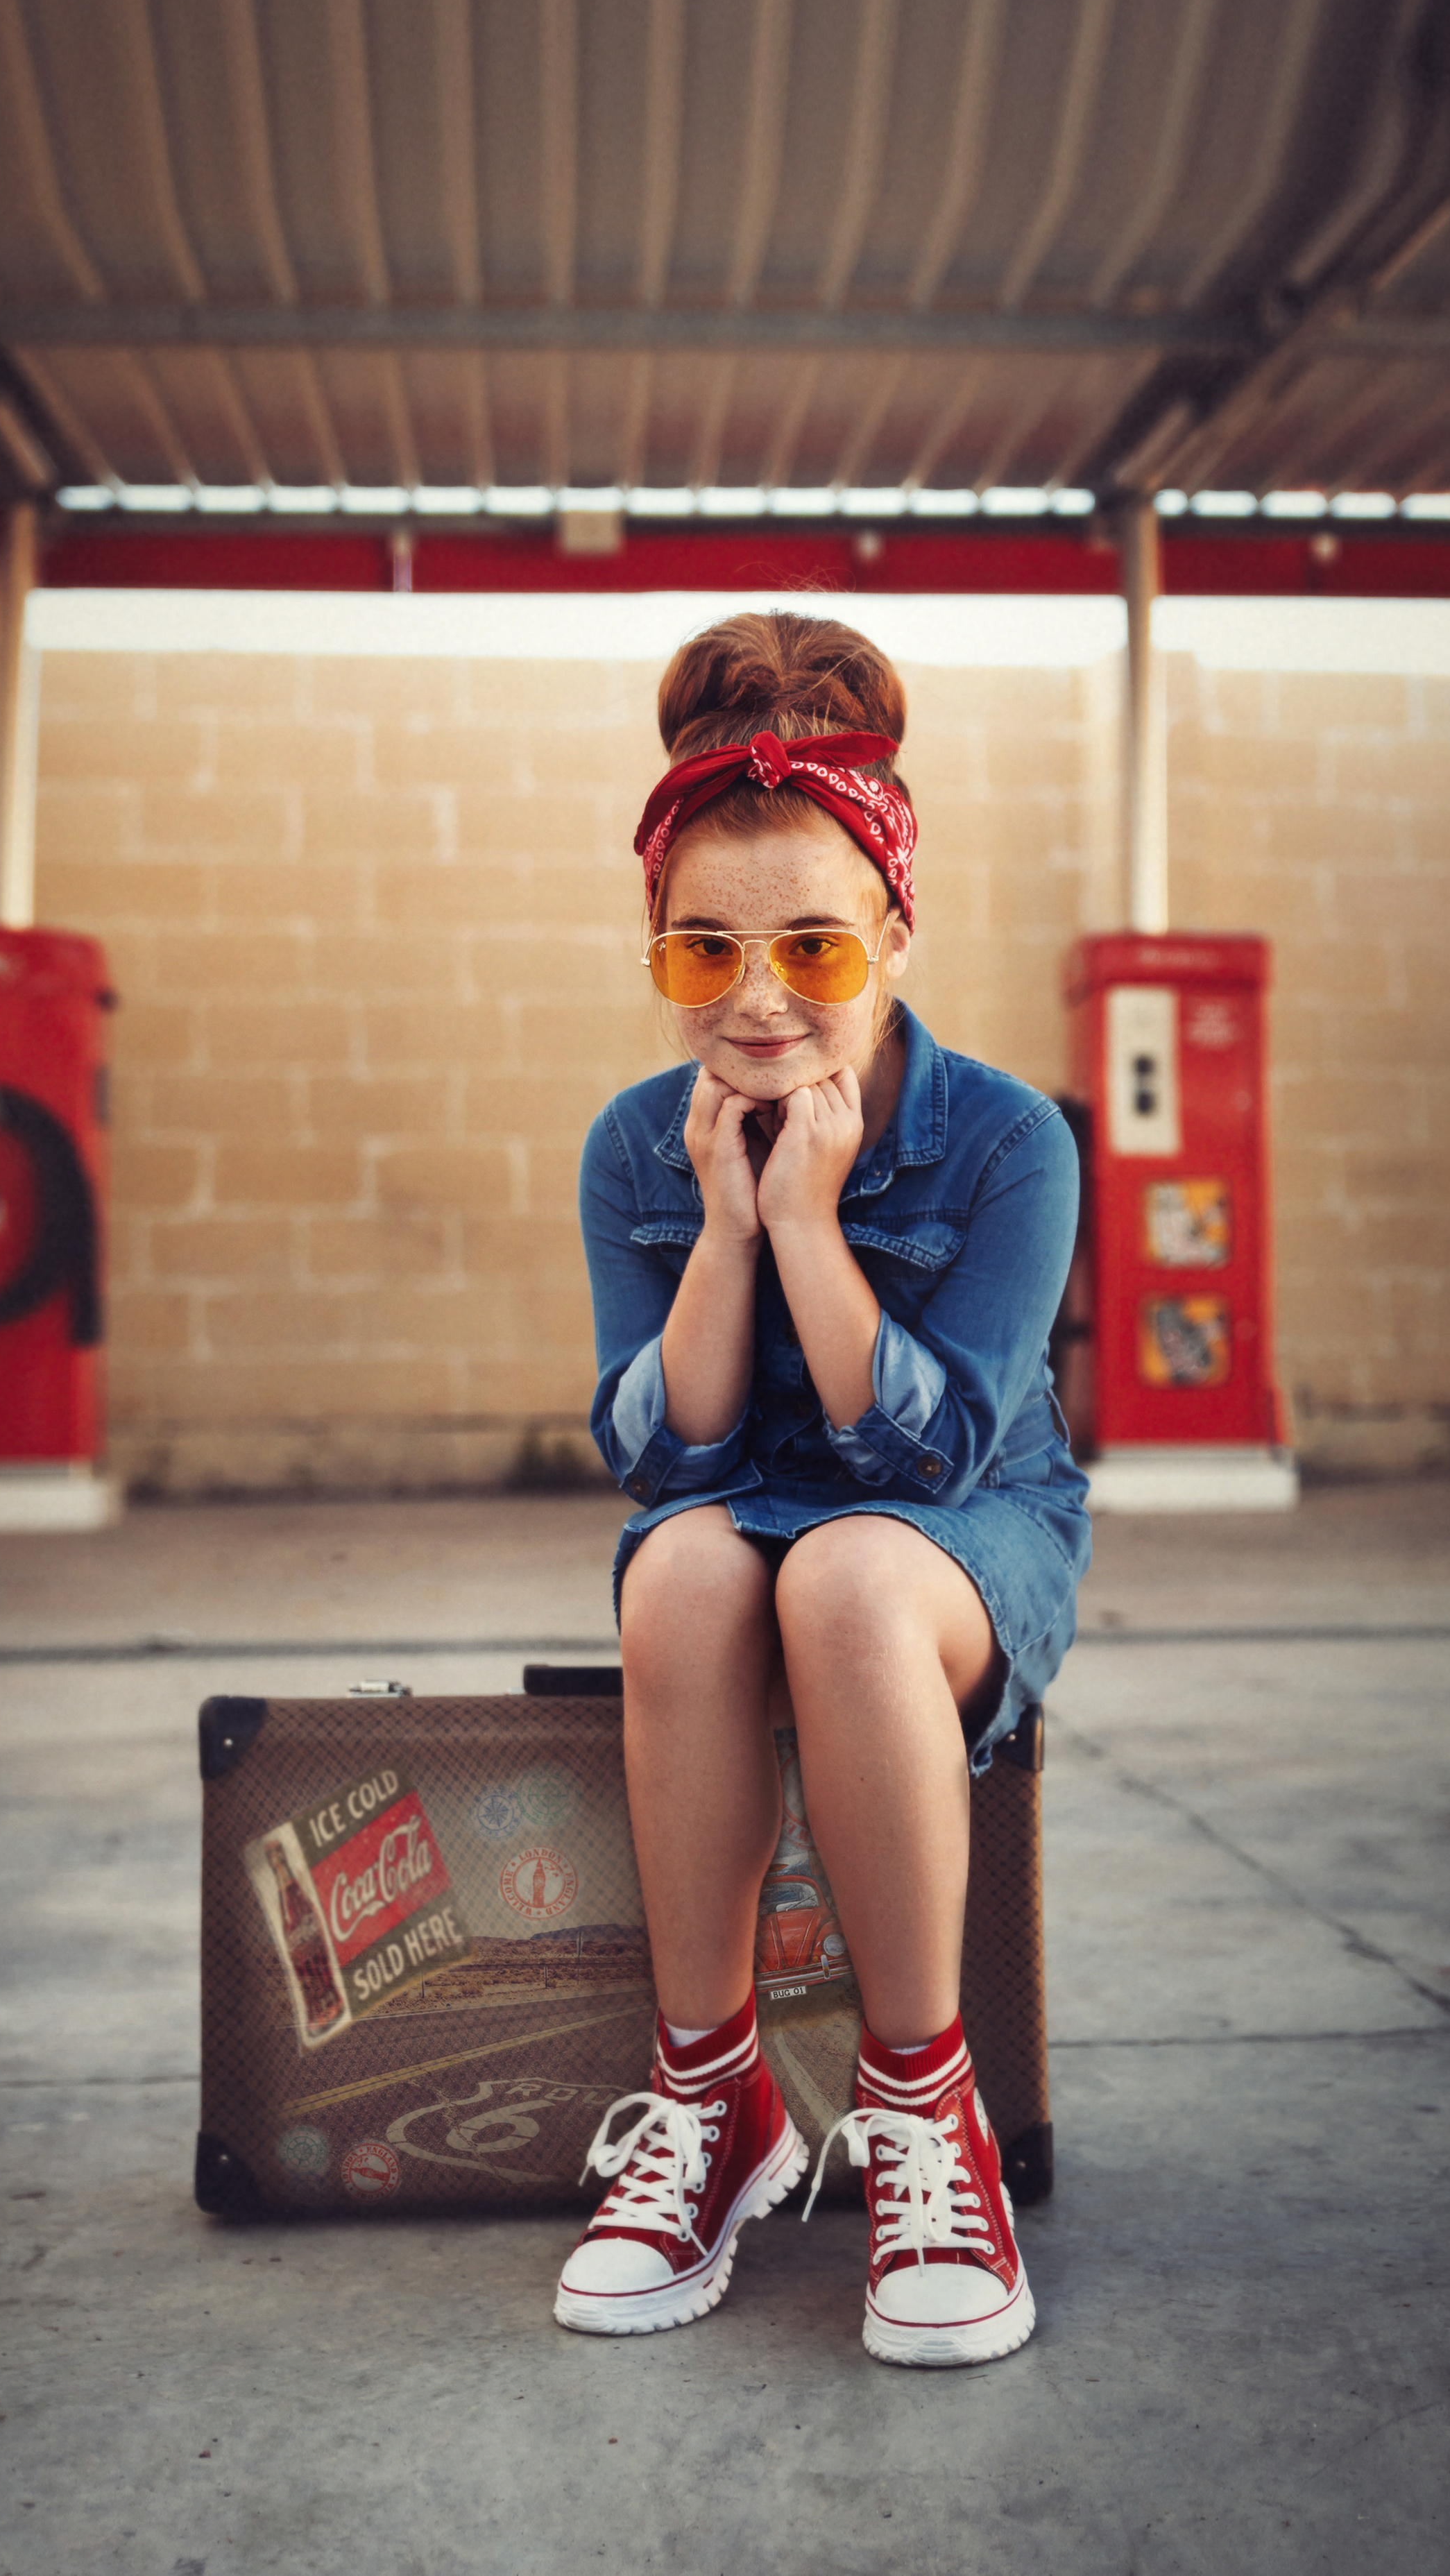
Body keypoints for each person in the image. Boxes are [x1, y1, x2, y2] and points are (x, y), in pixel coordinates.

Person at [552, 611, 1089, 2367]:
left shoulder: (1005, 1141)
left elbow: (930, 1455)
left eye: (811, 947)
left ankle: (921, 2103)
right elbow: (666, 1452)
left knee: (845, 1576)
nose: (759, 994)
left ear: (894, 938)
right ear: (654, 948)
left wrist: (808, 1219)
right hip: (755, 1512)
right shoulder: (639, 1144)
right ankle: (711, 2102)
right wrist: (724, 1219)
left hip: (957, 1531)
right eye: (702, 954)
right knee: (686, 1574)